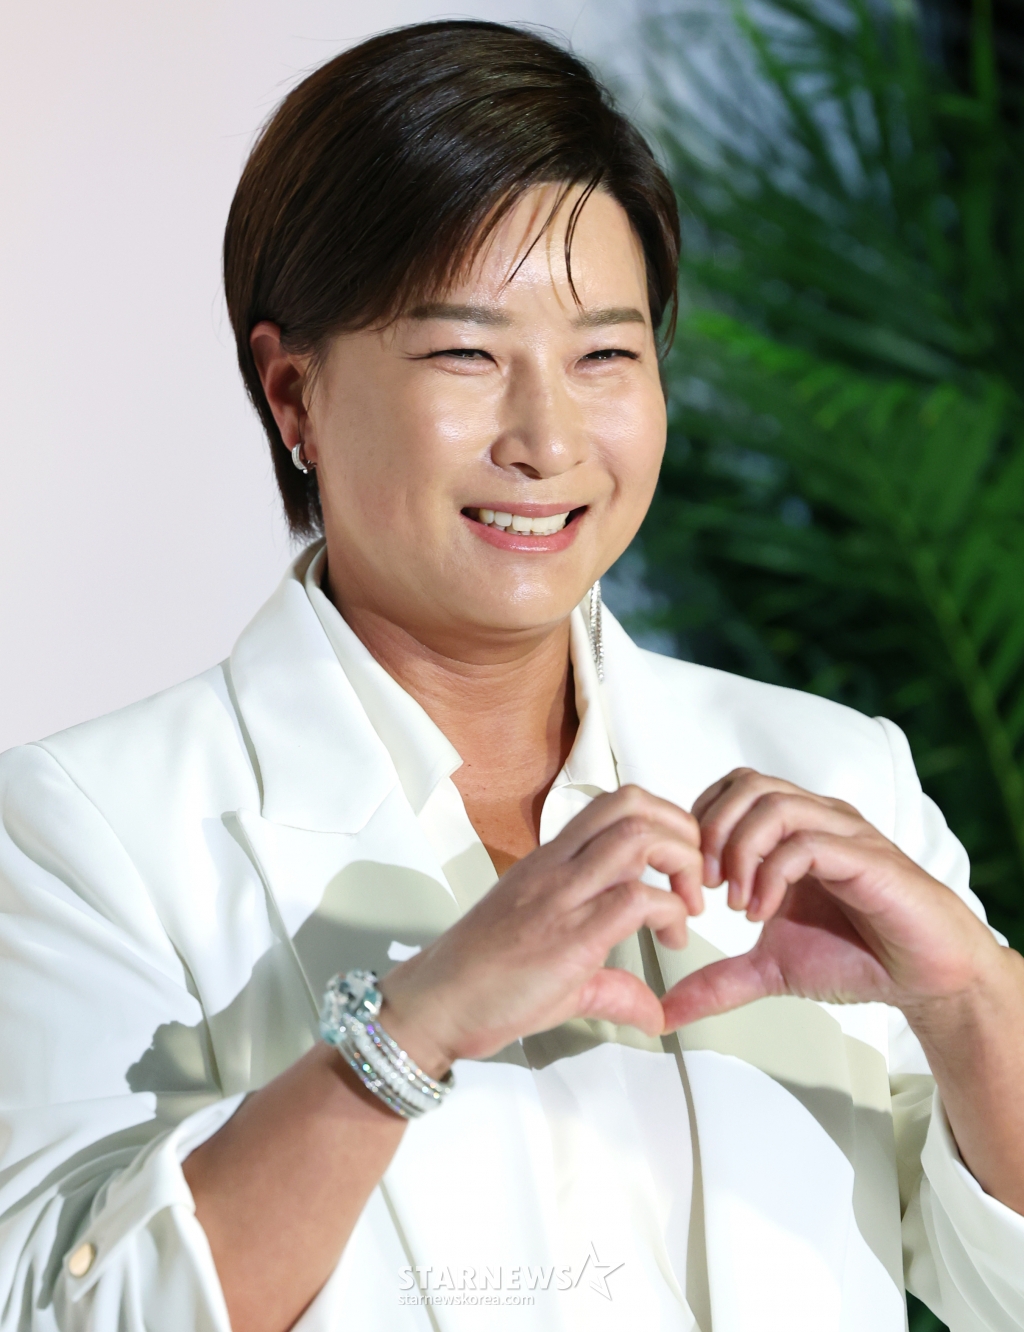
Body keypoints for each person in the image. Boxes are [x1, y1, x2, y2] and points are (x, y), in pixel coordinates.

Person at [0, 19, 1022, 1332]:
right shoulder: (85, 834)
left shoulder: (834, 771)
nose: (548, 440)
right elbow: (62, 1312)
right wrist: (410, 1030)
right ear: (293, 392)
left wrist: (974, 998)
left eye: (606, 356)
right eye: (466, 354)